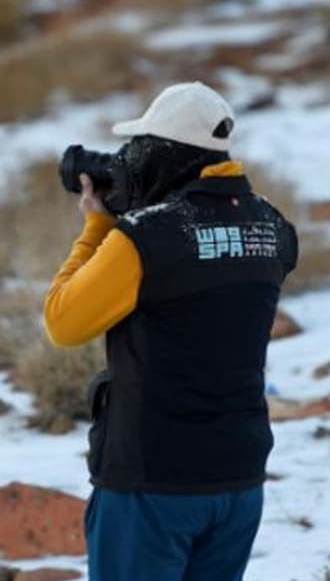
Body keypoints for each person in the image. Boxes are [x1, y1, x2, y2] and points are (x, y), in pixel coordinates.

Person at [43, 82, 297, 581]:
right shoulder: (273, 227)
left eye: (140, 150)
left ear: (163, 153)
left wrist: (97, 229)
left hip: (153, 482)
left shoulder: (146, 238)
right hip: (239, 478)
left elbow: (63, 322)